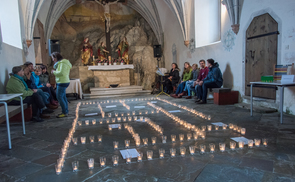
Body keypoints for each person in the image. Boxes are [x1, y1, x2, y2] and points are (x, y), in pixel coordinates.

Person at [51, 52, 72, 118]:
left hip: (62, 82)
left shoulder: (62, 63)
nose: (52, 60)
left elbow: (61, 73)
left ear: (56, 57)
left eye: (53, 58)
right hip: (62, 81)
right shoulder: (62, 63)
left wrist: (53, 72)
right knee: (63, 97)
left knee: (59, 97)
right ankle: (66, 111)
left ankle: (65, 112)